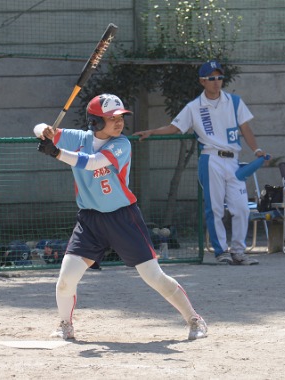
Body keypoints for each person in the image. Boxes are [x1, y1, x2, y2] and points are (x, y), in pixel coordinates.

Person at [34, 93, 207, 341]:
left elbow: (93, 163)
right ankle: (65, 324)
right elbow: (37, 128)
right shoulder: (78, 138)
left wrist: (57, 153)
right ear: (95, 122)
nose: (119, 122)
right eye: (111, 118)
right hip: (90, 221)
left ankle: (194, 319)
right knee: (65, 279)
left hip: (123, 218)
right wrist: (46, 131)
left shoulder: (122, 144)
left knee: (154, 277)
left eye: (121, 117)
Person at [134, 59, 268, 265]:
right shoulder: (194, 107)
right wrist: (151, 132)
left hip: (234, 161)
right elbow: (175, 127)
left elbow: (246, 129)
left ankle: (239, 251)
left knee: (241, 207)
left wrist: (257, 150)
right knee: (214, 207)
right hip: (211, 158)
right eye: (211, 78)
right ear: (202, 81)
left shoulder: (234, 102)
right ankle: (221, 251)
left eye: (220, 77)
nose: (217, 82)